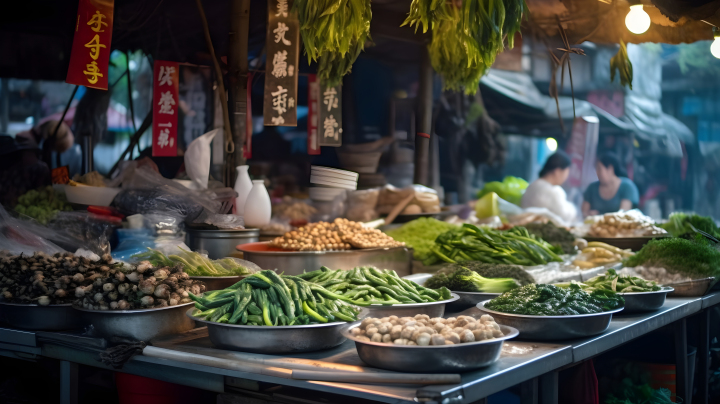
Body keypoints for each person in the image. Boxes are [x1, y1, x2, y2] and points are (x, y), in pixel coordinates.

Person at [521, 151, 578, 224]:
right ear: (557, 172)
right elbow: (566, 215)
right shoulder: (552, 191)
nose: (566, 177)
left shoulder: (532, 185)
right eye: (566, 173)